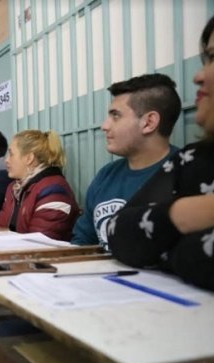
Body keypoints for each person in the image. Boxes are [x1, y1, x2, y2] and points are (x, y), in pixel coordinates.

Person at [107, 16, 214, 292]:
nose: (198, 75)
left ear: (149, 122)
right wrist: (189, 213)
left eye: (213, 58)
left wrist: (165, 246)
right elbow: (117, 232)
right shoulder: (196, 159)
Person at [71, 73, 181, 248]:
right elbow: (82, 241)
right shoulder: (106, 175)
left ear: (148, 122)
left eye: (116, 116)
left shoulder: (187, 174)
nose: (104, 126)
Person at [0, 130, 79, 241]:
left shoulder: (53, 191)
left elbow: (40, 244)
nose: (6, 160)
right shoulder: (14, 188)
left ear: (29, 158)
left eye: (11, 154)